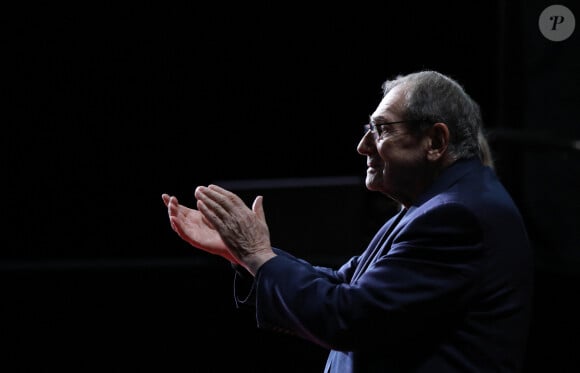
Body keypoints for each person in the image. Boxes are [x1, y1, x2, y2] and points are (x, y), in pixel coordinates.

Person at [161, 70, 533, 372]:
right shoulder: (438, 204)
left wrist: (257, 253)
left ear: (435, 141)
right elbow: (344, 284)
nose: (363, 145)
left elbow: (348, 316)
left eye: (382, 129)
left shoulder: (455, 217)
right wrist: (243, 254)